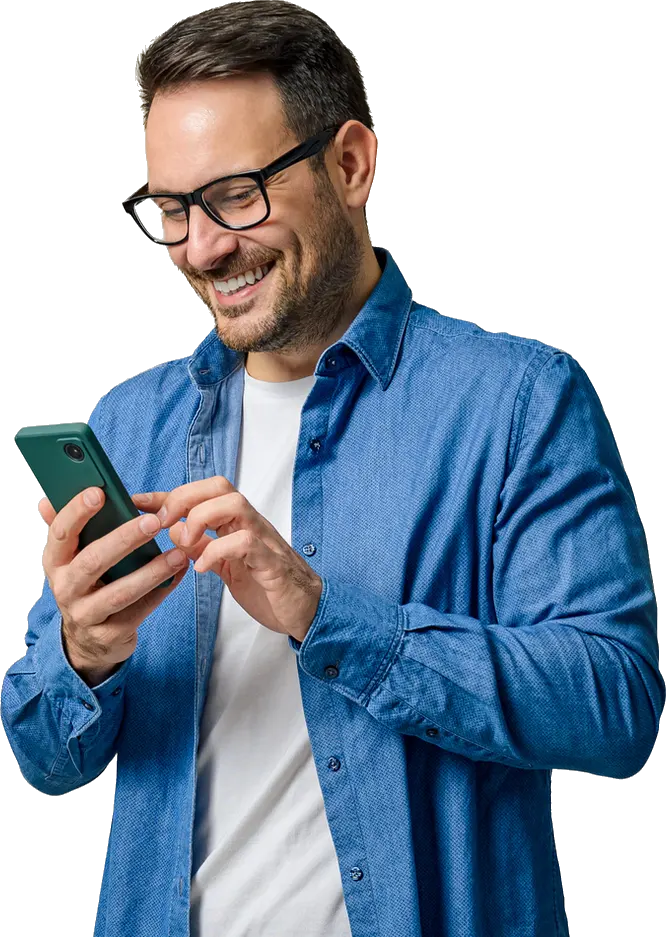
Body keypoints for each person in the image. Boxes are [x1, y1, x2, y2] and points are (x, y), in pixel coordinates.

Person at [2, 2, 663, 936]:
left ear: (350, 164)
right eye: (170, 210)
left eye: (235, 194)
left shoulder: (519, 400)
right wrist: (83, 654)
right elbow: (45, 755)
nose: (200, 246)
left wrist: (324, 612)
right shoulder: (130, 421)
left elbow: (616, 704)